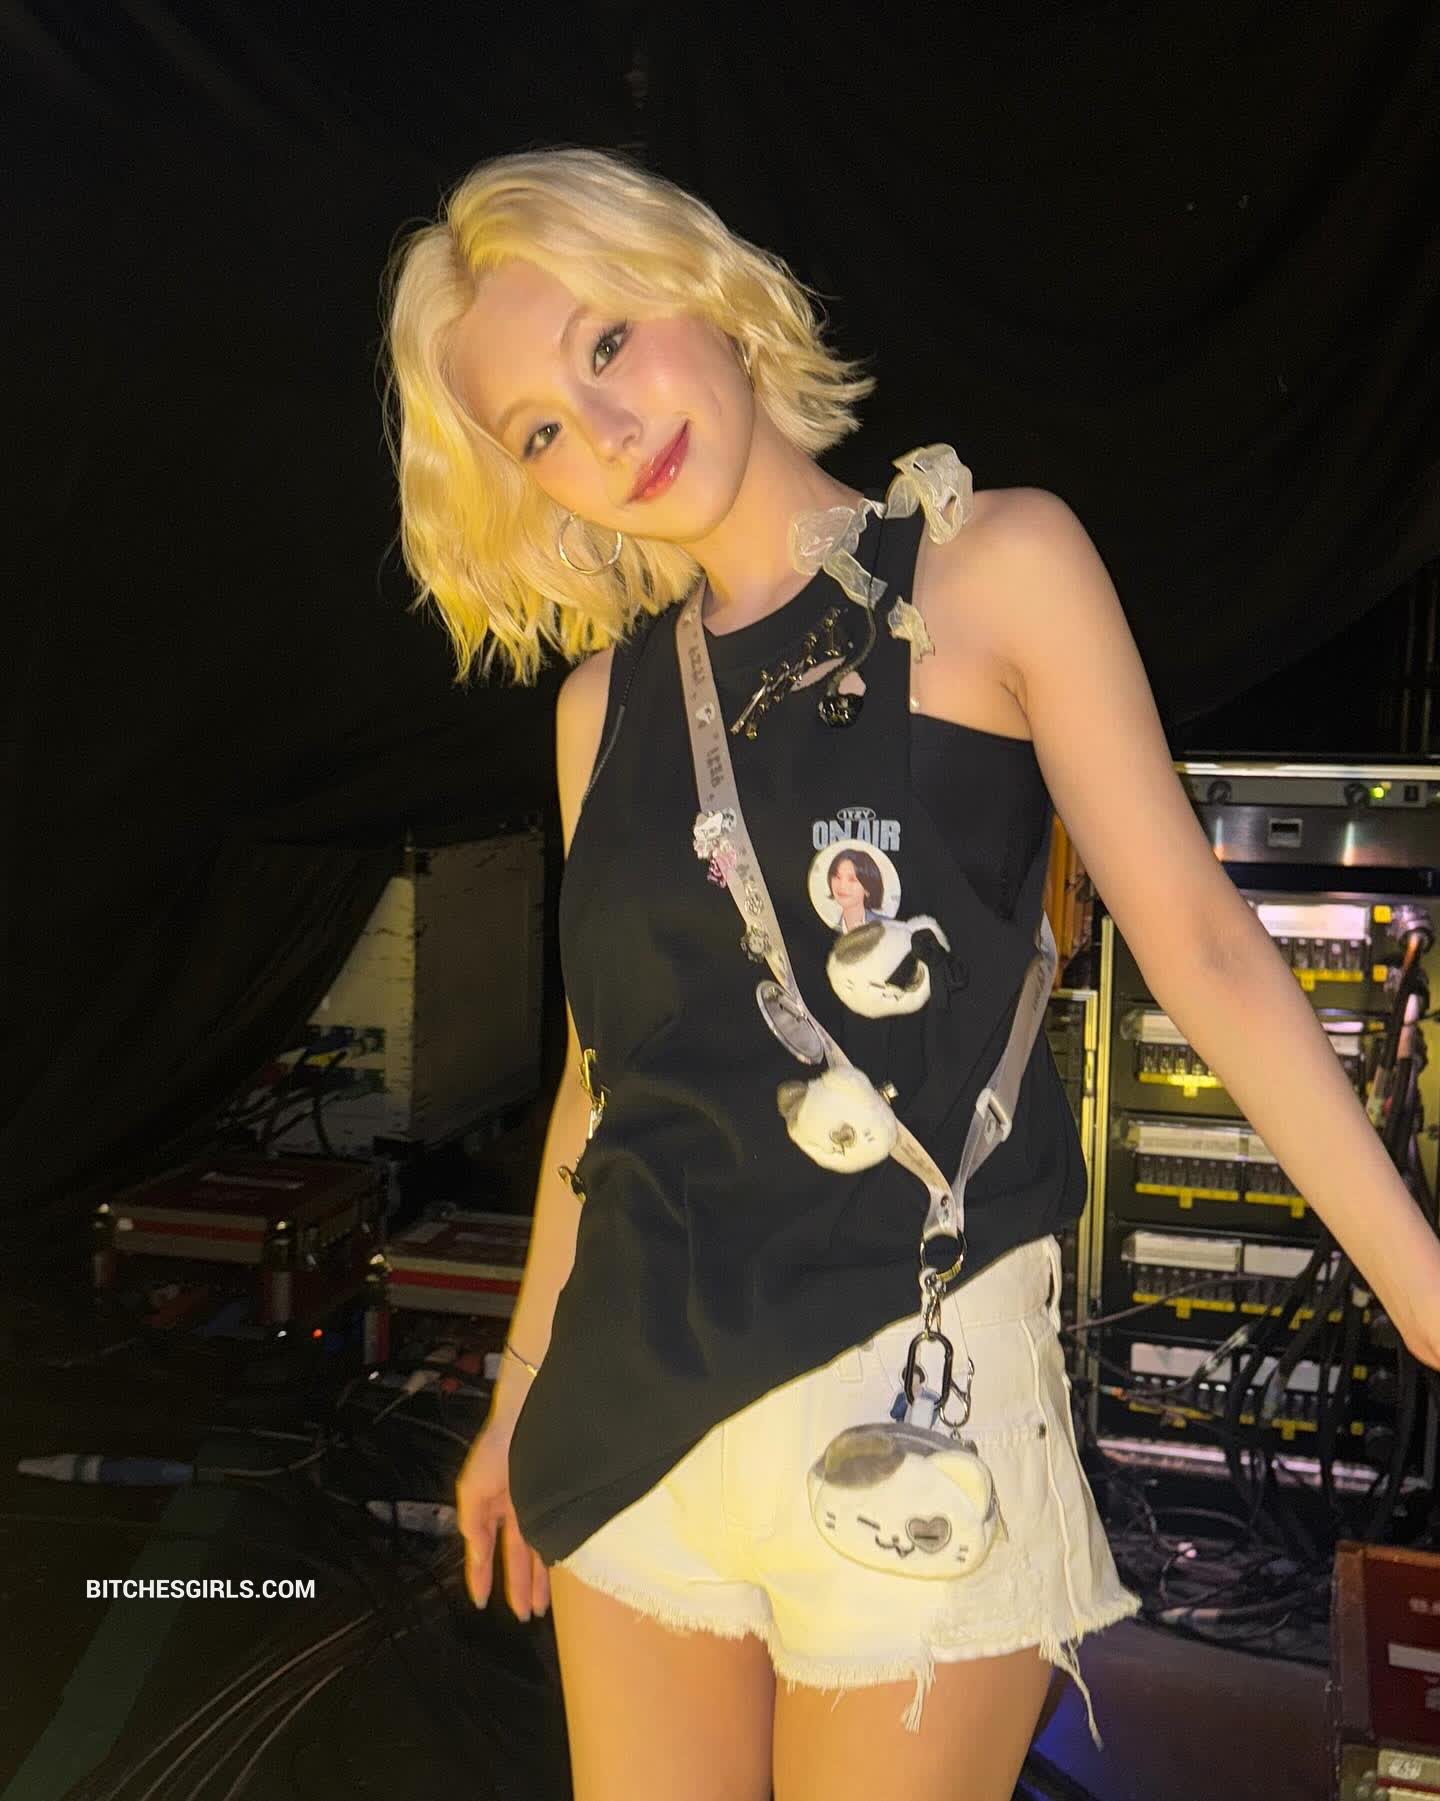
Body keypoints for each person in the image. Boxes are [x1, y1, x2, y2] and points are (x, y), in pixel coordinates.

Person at [381, 145, 1440, 1801]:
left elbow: (1206, 944)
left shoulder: (990, 564)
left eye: (606, 343)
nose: (605, 428)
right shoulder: (601, 709)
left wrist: (1424, 1291)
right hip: (631, 1414)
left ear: (700, 287)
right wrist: (517, 1397)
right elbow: (605, 1085)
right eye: (538, 431)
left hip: (913, 1397)